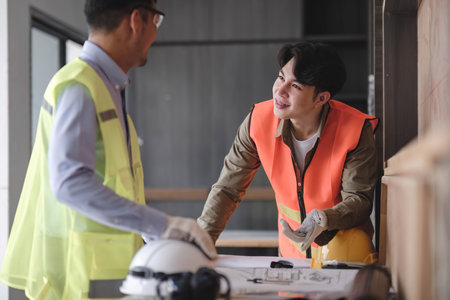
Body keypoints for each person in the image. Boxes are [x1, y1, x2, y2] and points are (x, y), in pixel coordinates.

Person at [0, 1, 217, 299]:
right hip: (78, 277)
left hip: (104, 272)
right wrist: (163, 225)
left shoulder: (107, 88)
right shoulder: (80, 86)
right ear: (136, 20)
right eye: (156, 20)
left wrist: (157, 237)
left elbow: (115, 182)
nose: (155, 33)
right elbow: (70, 185)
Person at [197, 42, 379, 259]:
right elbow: (228, 189)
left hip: (344, 255)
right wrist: (200, 240)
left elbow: (359, 199)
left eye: (295, 86)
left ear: (321, 98)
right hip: (292, 256)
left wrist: (325, 218)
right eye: (281, 77)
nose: (280, 91)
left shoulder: (356, 130)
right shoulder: (258, 121)